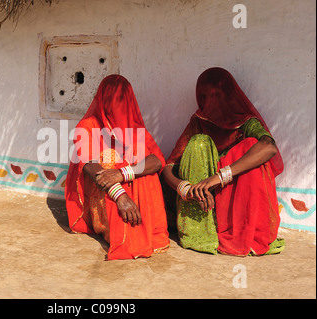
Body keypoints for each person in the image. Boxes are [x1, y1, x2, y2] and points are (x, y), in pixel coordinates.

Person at [161, 67, 285, 256]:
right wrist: (185, 189)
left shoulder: (245, 123)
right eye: (204, 96)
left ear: (229, 96)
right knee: (198, 144)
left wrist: (219, 177)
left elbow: (269, 147)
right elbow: (168, 166)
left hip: (232, 197)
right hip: (202, 198)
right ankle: (200, 229)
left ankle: (242, 228)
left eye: (215, 95)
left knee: (252, 146)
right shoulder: (199, 122)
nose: (209, 102)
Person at [65, 74, 170, 260]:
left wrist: (123, 173)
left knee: (143, 161)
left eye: (122, 100)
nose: (117, 106)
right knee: (110, 158)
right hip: (107, 194)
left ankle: (144, 228)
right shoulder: (88, 126)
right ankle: (125, 230)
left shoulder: (134, 127)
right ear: (103, 100)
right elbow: (90, 166)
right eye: (112, 100)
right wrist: (120, 195)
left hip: (121, 181)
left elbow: (158, 160)